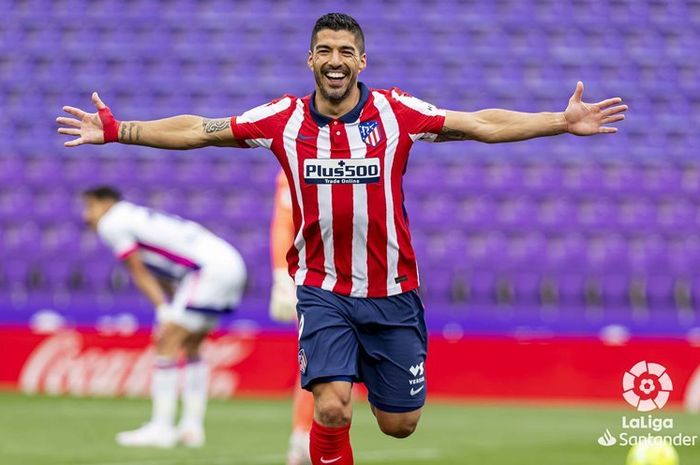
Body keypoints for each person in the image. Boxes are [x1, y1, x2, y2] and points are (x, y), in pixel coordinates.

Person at [59, 13, 627, 465]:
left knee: (400, 424)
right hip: (322, 290)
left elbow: (481, 123)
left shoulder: (396, 112)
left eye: (346, 51)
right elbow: (199, 129)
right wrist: (120, 130)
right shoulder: (282, 119)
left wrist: (560, 121)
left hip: (393, 292)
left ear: (361, 61)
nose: (335, 60)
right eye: (325, 51)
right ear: (310, 59)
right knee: (331, 408)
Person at [81, 186, 247, 448]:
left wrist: (162, 309)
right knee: (191, 345)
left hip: (207, 271)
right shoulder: (133, 216)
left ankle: (162, 427)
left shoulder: (111, 223)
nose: (86, 216)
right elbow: (159, 270)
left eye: (89, 207)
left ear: (105, 203)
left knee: (166, 342)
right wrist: (170, 304)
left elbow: (138, 271)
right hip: (228, 262)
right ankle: (191, 428)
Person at [270, 170, 316, 465]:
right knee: (316, 359)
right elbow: (283, 221)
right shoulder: (296, 161)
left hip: (362, 276)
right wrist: (281, 278)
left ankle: (306, 437)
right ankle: (302, 437)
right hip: (315, 279)